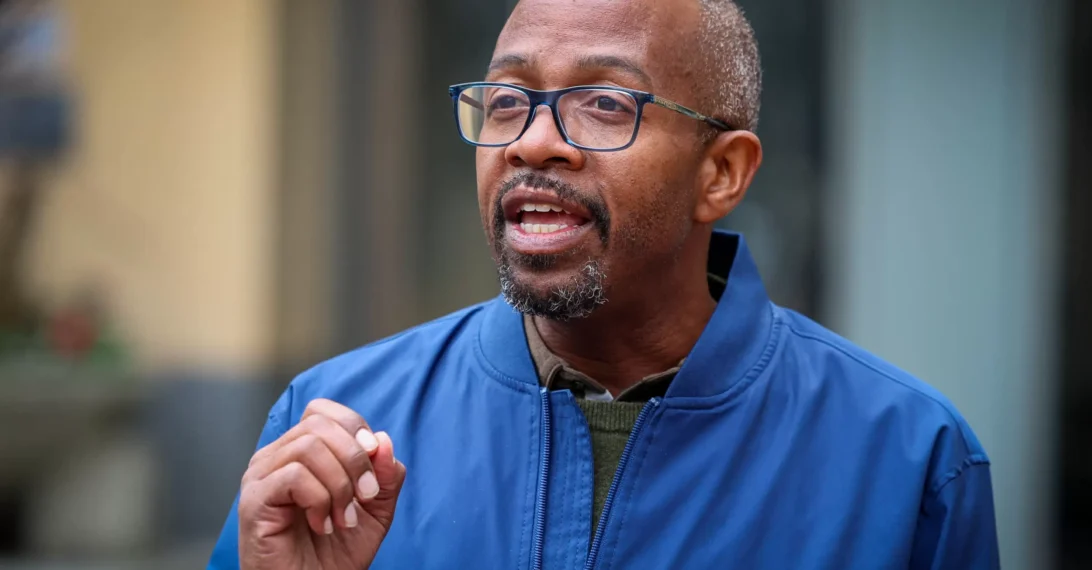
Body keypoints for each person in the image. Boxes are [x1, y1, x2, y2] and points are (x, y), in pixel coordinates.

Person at [208, 0, 1001, 567]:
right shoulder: (337, 430)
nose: (532, 142)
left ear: (722, 172)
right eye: (507, 100)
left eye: (603, 103)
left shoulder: (907, 461)